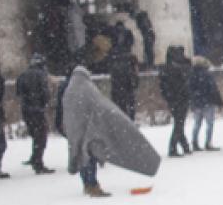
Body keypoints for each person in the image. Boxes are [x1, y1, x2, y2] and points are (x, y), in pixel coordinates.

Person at [59, 64, 161, 197]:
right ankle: (93, 186)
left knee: (80, 155)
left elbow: (67, 111)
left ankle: (87, 184)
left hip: (75, 129)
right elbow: (99, 104)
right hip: (89, 129)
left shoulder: (69, 90)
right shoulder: (87, 88)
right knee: (90, 156)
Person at [16, 55, 55, 173]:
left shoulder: (22, 75)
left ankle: (34, 157)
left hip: (26, 110)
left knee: (35, 135)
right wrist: (44, 103)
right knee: (41, 136)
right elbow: (45, 92)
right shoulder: (41, 75)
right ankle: (38, 163)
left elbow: (18, 93)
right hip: (37, 110)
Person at [159, 45, 192, 157]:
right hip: (180, 99)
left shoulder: (166, 69)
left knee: (179, 123)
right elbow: (182, 84)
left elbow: (163, 87)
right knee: (179, 123)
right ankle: (173, 148)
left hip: (174, 99)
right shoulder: (179, 68)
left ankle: (185, 146)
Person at [189, 55, 223, 151]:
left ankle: (194, 142)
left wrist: (192, 101)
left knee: (197, 124)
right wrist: (219, 102)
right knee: (209, 124)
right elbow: (213, 89)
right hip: (208, 102)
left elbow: (189, 89)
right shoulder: (207, 75)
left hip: (196, 102)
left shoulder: (191, 74)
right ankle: (208, 143)